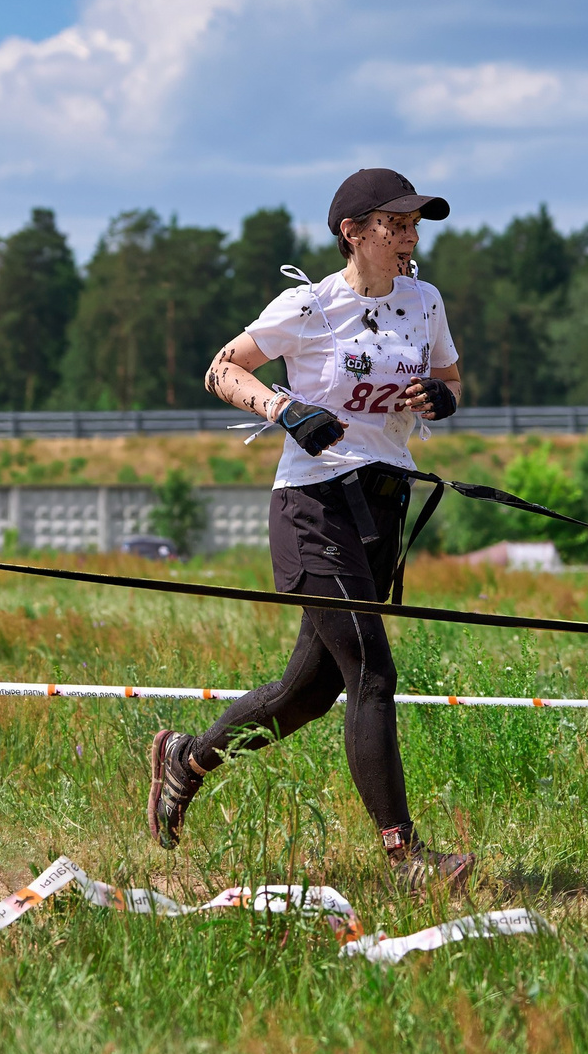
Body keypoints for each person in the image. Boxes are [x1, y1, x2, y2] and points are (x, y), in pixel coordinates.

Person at [149, 167, 472, 889]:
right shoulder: (310, 305)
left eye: (415, 221)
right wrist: (285, 411)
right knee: (373, 671)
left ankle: (186, 758)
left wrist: (441, 400)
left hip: (383, 504)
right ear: (353, 232)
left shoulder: (425, 301)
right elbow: (223, 368)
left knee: (308, 692)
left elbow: (452, 375)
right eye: (395, 221)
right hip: (313, 508)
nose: (411, 232)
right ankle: (406, 857)